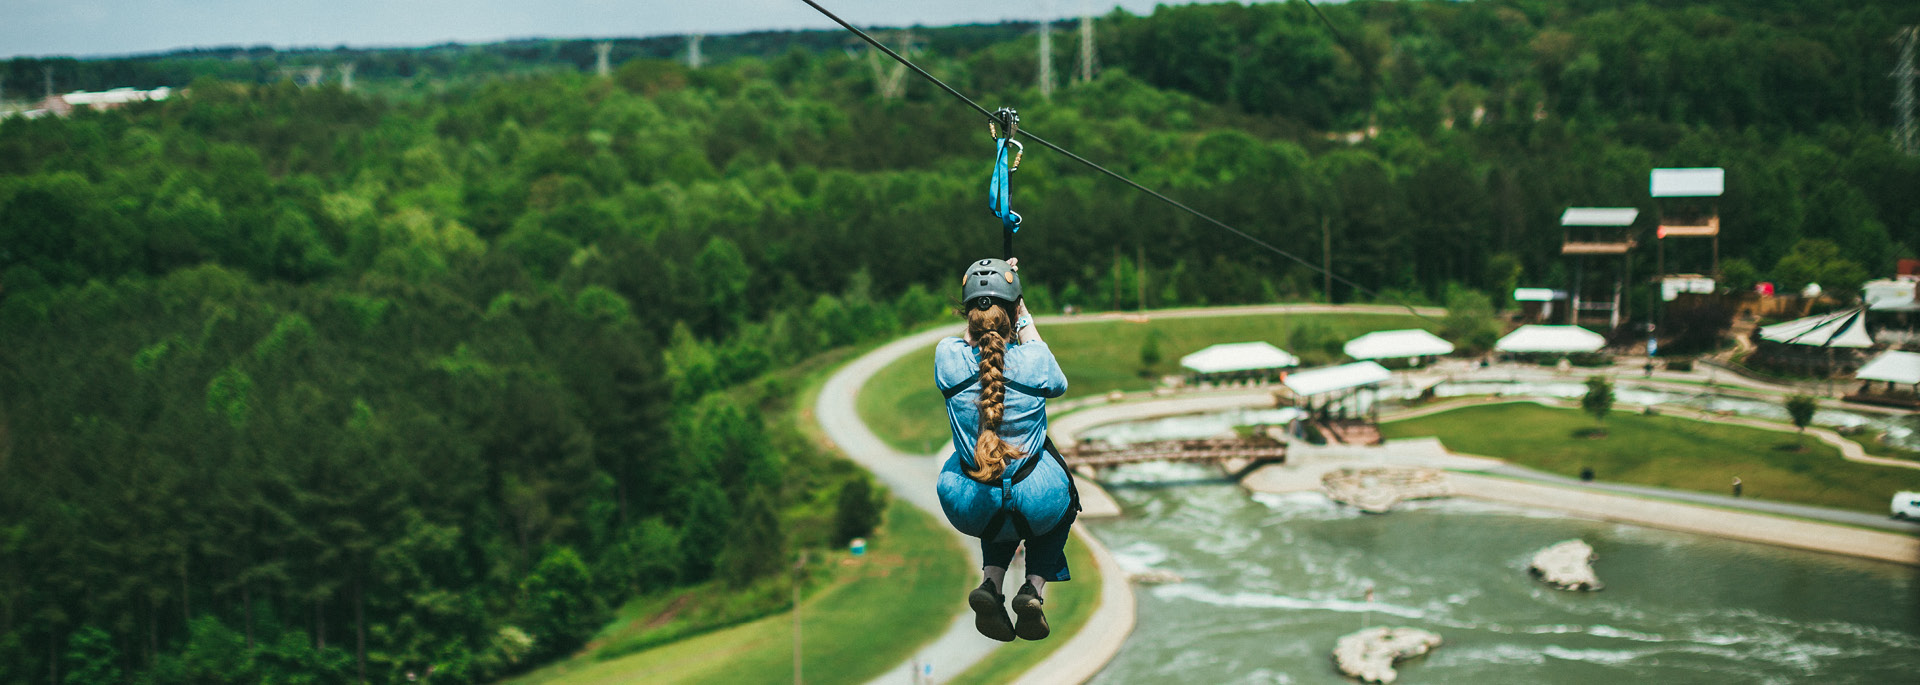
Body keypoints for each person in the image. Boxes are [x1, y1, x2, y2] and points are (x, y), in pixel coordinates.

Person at [934, 257, 1079, 642]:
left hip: (968, 504)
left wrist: (987, 314)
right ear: (1014, 313)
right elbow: (1057, 381)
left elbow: (970, 342)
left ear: (968, 315)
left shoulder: (946, 358)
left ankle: (991, 582)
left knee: (988, 476)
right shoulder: (1035, 363)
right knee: (1058, 496)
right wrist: (1023, 316)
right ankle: (1032, 588)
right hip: (1036, 501)